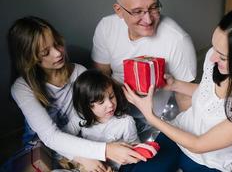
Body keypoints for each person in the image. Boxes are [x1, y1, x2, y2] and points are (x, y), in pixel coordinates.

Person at [120, 7, 232, 172]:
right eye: (214, 48)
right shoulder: (214, 60)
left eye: (223, 56)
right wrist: (175, 84)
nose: (212, 57)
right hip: (178, 133)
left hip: (209, 161)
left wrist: (151, 116)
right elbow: (207, 92)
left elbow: (199, 145)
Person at [7, 16, 145, 171]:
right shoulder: (22, 88)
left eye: (57, 44)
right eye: (46, 52)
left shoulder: (79, 72)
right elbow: (50, 137)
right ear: (29, 58)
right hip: (42, 145)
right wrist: (91, 155)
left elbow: (84, 115)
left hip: (78, 139)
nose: (57, 53)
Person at [91, 0, 197, 133]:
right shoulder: (106, 27)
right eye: (137, 11)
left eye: (153, 7)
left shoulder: (178, 40)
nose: (148, 19)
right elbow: (100, 76)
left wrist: (187, 137)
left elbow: (185, 97)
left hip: (157, 118)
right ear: (119, 10)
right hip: (113, 110)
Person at [63, 69, 139, 171]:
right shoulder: (80, 119)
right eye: (101, 102)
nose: (110, 105)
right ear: (87, 105)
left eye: (111, 97)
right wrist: (82, 159)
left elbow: (135, 147)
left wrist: (131, 156)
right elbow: (61, 139)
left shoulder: (126, 122)